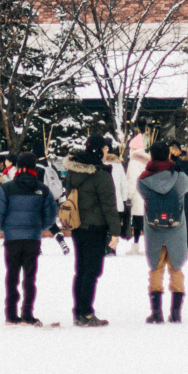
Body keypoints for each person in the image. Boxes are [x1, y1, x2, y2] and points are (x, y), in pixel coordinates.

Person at [0, 152, 60, 324]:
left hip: (12, 238)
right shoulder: (43, 190)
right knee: (30, 277)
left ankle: (11, 314)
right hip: (32, 238)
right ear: (34, 167)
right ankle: (27, 313)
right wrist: (38, 228)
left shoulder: (6, 188)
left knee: (12, 275)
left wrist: (5, 228)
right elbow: (51, 216)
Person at [61, 134, 120, 326]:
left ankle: (78, 311)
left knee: (81, 269)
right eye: (104, 149)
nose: (106, 152)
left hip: (77, 226)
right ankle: (86, 313)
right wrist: (116, 232)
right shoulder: (100, 174)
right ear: (97, 149)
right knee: (92, 271)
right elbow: (109, 206)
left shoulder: (72, 170)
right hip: (95, 228)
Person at [137, 142, 188, 323]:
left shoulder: (143, 179)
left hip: (154, 230)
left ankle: (156, 313)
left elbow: (143, 195)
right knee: (176, 268)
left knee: (155, 269)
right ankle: (176, 313)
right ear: (168, 156)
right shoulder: (179, 177)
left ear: (151, 156)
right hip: (176, 229)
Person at [121, 136, 148, 253]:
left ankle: (137, 246)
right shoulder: (147, 159)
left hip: (138, 196)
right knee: (145, 223)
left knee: (138, 223)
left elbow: (132, 180)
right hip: (147, 196)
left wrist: (129, 195)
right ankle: (148, 246)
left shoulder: (134, 160)